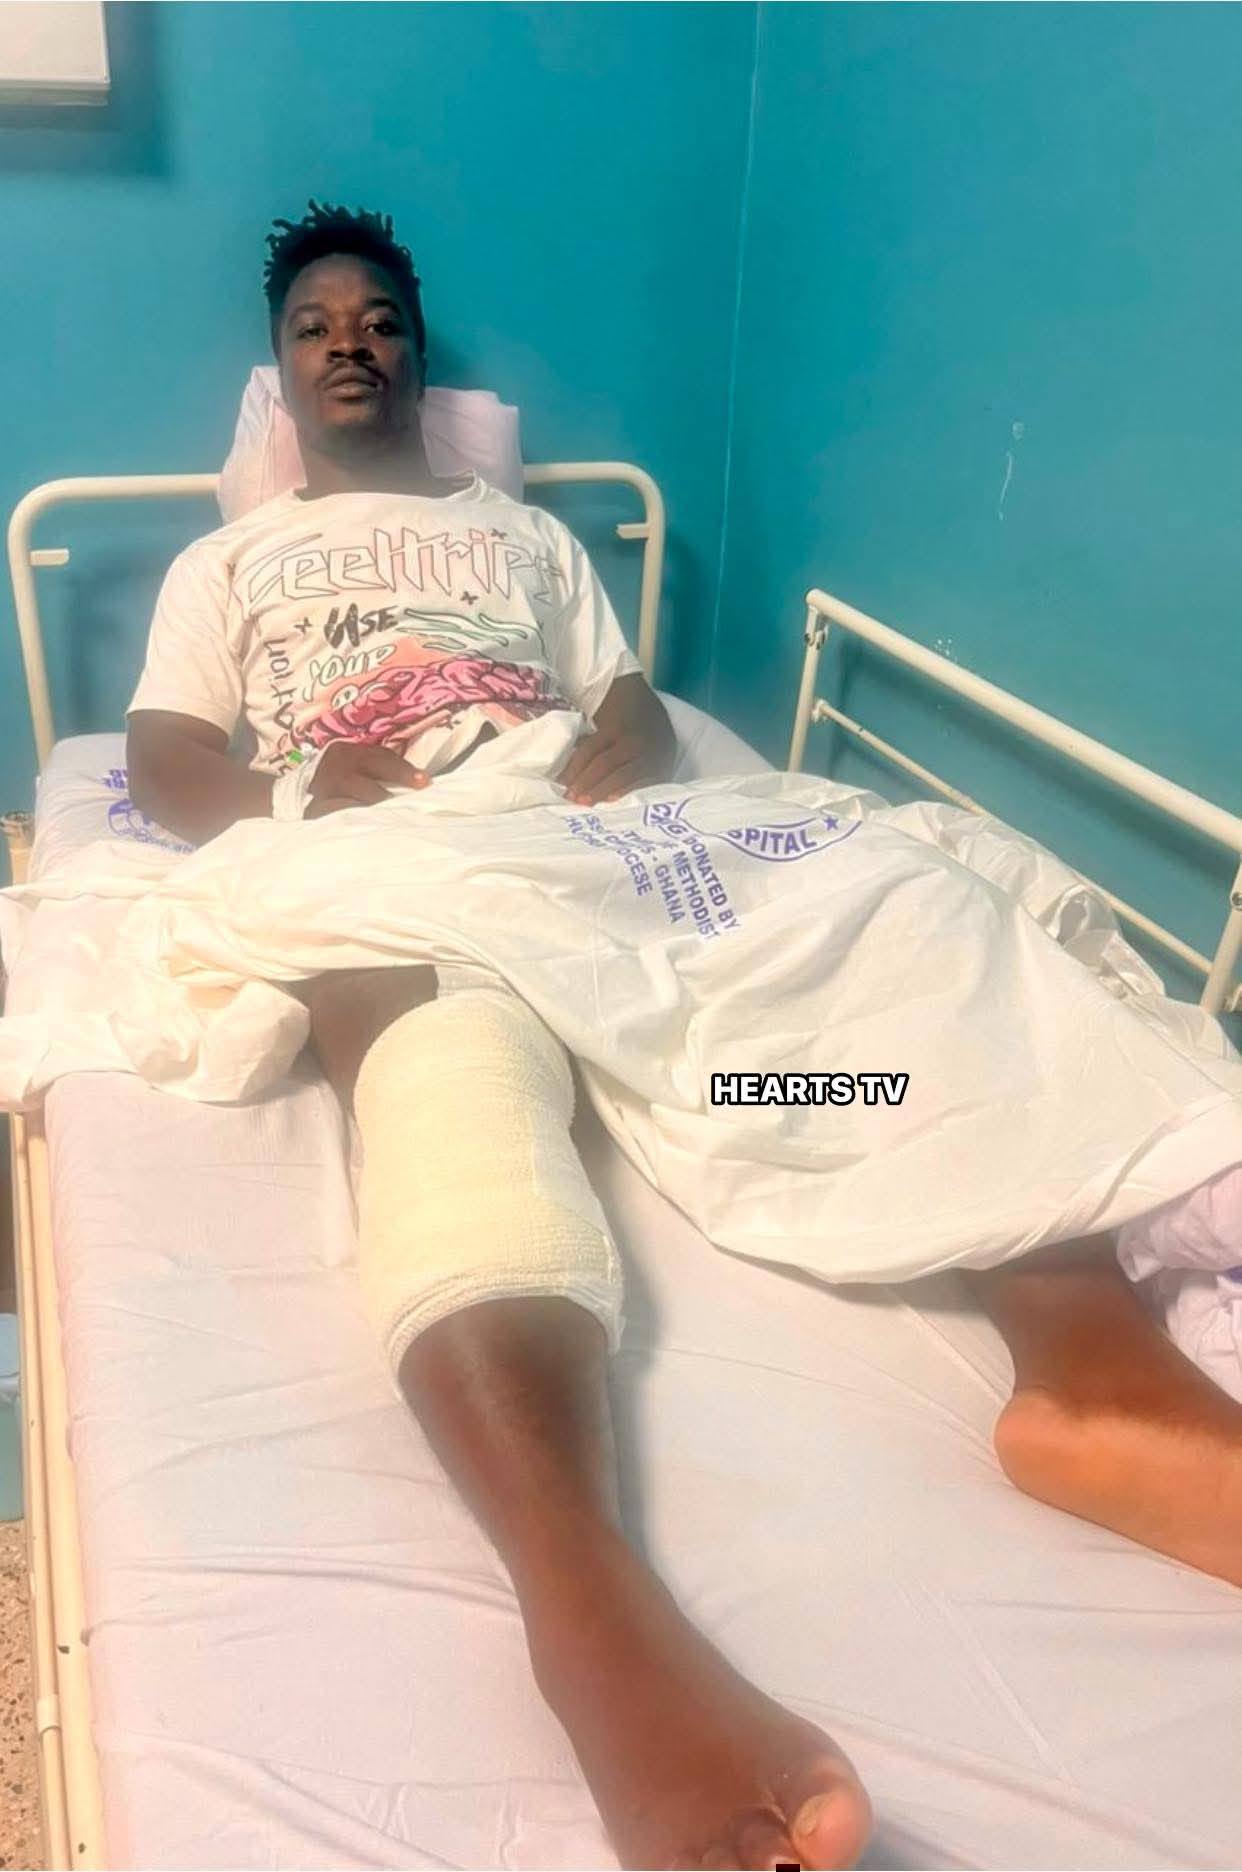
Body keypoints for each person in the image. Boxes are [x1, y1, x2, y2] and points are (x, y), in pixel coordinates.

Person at [127, 202, 1242, 1872]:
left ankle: (1095, 1371)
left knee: (883, 930)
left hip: (592, 836)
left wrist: (632, 740)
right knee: (443, 1064)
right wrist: (292, 790)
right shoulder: (228, 563)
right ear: (279, 379)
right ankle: (597, 1627)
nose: (348, 342)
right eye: (313, 327)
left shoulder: (525, 538)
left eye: (378, 321)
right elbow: (160, 765)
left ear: (416, 359)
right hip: (380, 835)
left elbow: (625, 696)